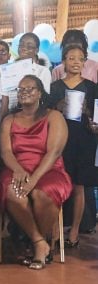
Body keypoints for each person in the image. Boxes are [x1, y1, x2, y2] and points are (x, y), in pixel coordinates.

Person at [0, 75, 72, 270]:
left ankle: (32, 241)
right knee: (14, 193)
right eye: (21, 89)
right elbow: (6, 152)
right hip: (16, 167)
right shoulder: (9, 120)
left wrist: (34, 179)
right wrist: (19, 170)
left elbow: (54, 152)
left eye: (30, 89)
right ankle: (39, 243)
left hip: (48, 169)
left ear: (40, 93)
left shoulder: (54, 116)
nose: (25, 92)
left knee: (42, 193)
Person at [49, 45, 98, 247]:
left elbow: (96, 118)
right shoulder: (55, 87)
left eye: (80, 58)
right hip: (61, 140)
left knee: (79, 186)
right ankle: (54, 229)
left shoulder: (92, 87)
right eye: (71, 58)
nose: (76, 62)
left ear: (84, 62)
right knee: (57, 184)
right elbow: (47, 114)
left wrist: (91, 118)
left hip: (84, 139)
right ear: (63, 61)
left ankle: (75, 231)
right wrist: (57, 108)